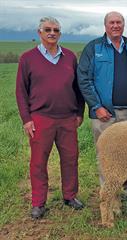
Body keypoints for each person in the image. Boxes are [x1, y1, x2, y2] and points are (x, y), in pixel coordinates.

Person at [16, 17, 85, 219]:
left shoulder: (70, 57)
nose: (52, 33)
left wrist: (79, 112)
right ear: (39, 33)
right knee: (38, 162)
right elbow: (21, 92)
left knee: (71, 159)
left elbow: (78, 89)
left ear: (60, 34)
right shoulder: (27, 58)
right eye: (47, 29)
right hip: (40, 118)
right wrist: (26, 119)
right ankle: (38, 202)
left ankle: (70, 196)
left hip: (67, 118)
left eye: (56, 30)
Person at [77, 11, 127, 201]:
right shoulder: (94, 48)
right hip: (104, 114)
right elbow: (84, 78)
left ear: (124, 25)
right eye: (112, 23)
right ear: (105, 25)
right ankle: (108, 192)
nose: (115, 26)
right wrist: (96, 106)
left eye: (119, 22)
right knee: (106, 154)